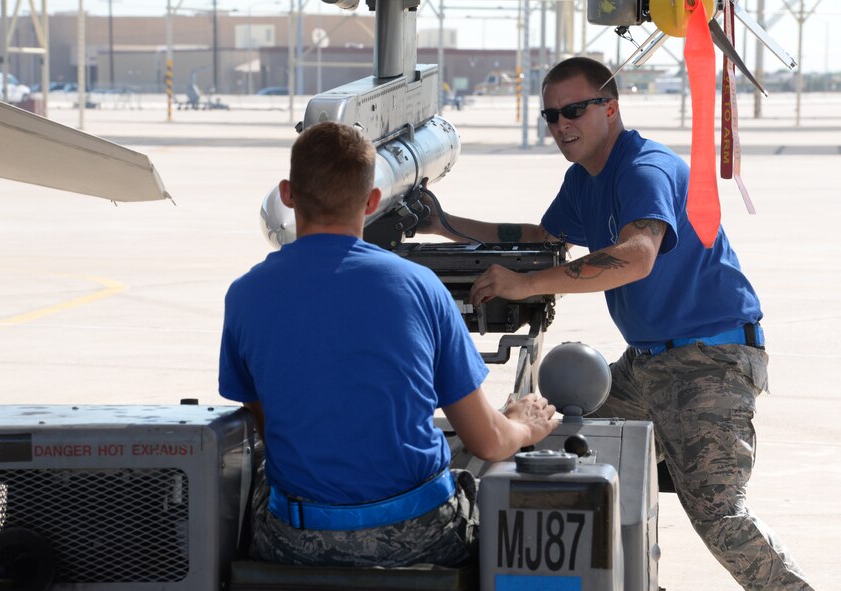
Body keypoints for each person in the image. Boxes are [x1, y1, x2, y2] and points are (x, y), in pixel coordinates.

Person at [419, 57, 813, 590]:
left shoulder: (642, 169)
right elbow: (541, 238)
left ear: (611, 108)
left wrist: (527, 285)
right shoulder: (585, 178)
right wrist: (442, 225)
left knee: (720, 517)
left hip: (708, 363)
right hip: (648, 363)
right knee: (545, 435)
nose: (561, 126)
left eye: (574, 111)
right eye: (551, 115)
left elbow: (636, 255)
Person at [218, 121, 558, 568]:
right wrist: (524, 423)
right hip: (419, 536)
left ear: (287, 193)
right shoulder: (420, 287)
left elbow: (268, 426)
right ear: (374, 201)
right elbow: (489, 442)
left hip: (297, 543)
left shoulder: (246, 295)